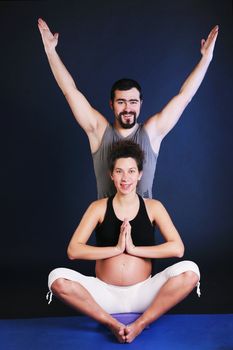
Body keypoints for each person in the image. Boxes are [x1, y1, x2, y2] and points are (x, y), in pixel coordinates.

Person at [38, 18, 218, 199]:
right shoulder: (99, 131)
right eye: (121, 102)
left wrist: (206, 59)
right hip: (107, 224)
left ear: (140, 104)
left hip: (143, 225)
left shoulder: (151, 132)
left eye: (133, 102)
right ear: (111, 104)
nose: (127, 108)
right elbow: (70, 91)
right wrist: (50, 51)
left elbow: (184, 97)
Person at [46, 140, 201, 343]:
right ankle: (111, 323)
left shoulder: (154, 207)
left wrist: (134, 249)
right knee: (56, 278)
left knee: (191, 271)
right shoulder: (98, 207)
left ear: (139, 174)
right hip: (104, 294)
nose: (125, 178)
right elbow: (73, 250)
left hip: (143, 293)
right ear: (111, 175)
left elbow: (177, 249)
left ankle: (140, 324)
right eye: (119, 171)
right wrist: (117, 248)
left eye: (130, 171)